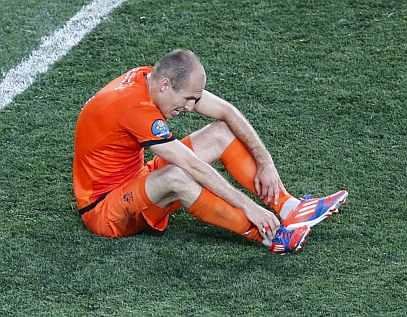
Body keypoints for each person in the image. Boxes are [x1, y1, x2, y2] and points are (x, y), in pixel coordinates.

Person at [72, 49, 348, 254]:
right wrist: (248, 206)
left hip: (135, 181)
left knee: (221, 133)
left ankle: (289, 207)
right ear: (166, 85)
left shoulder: (151, 79)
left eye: (195, 99)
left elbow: (225, 112)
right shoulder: (133, 108)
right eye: (188, 99)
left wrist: (266, 162)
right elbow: (192, 167)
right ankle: (269, 236)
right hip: (104, 211)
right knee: (176, 178)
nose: (191, 107)